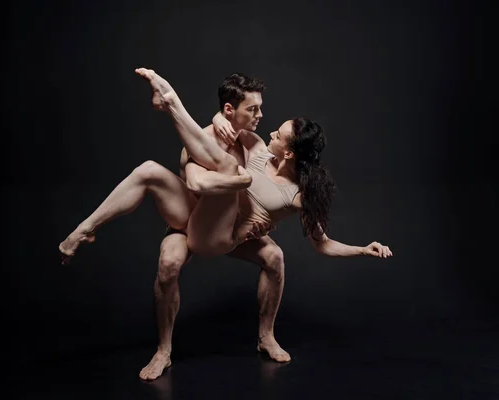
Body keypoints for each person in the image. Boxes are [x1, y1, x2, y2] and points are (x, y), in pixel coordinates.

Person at [59, 68, 393, 380]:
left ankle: (266, 338)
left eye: (280, 134)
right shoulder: (256, 146)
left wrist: (363, 249)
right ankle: (85, 234)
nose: (270, 129)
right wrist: (219, 122)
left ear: (290, 153)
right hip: (190, 214)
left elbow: (323, 244)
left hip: (219, 235)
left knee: (265, 237)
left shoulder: (297, 195)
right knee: (151, 176)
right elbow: (192, 154)